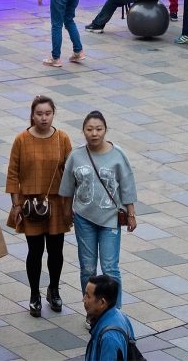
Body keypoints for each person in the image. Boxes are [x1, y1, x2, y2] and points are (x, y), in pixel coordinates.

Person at [6, 95, 73, 318]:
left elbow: (71, 172)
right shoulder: (21, 140)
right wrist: (16, 204)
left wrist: (70, 205)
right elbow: (13, 174)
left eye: (48, 113)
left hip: (56, 201)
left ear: (53, 114)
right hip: (30, 205)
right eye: (39, 114)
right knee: (34, 251)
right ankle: (34, 294)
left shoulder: (62, 138)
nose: (44, 118)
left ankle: (53, 289)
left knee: (56, 250)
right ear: (32, 115)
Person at [59, 109, 137, 291]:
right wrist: (66, 211)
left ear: (105, 130)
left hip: (110, 218)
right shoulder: (76, 155)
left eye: (99, 129)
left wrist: (131, 214)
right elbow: (67, 187)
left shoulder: (118, 155)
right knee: (88, 269)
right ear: (83, 131)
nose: (94, 133)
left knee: (110, 269)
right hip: (84, 218)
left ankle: (113, 313)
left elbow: (127, 186)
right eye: (89, 129)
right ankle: (92, 311)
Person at [82, 275, 138, 361]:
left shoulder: (109, 338)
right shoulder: (121, 316)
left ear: (102, 303)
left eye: (88, 296)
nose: (83, 299)